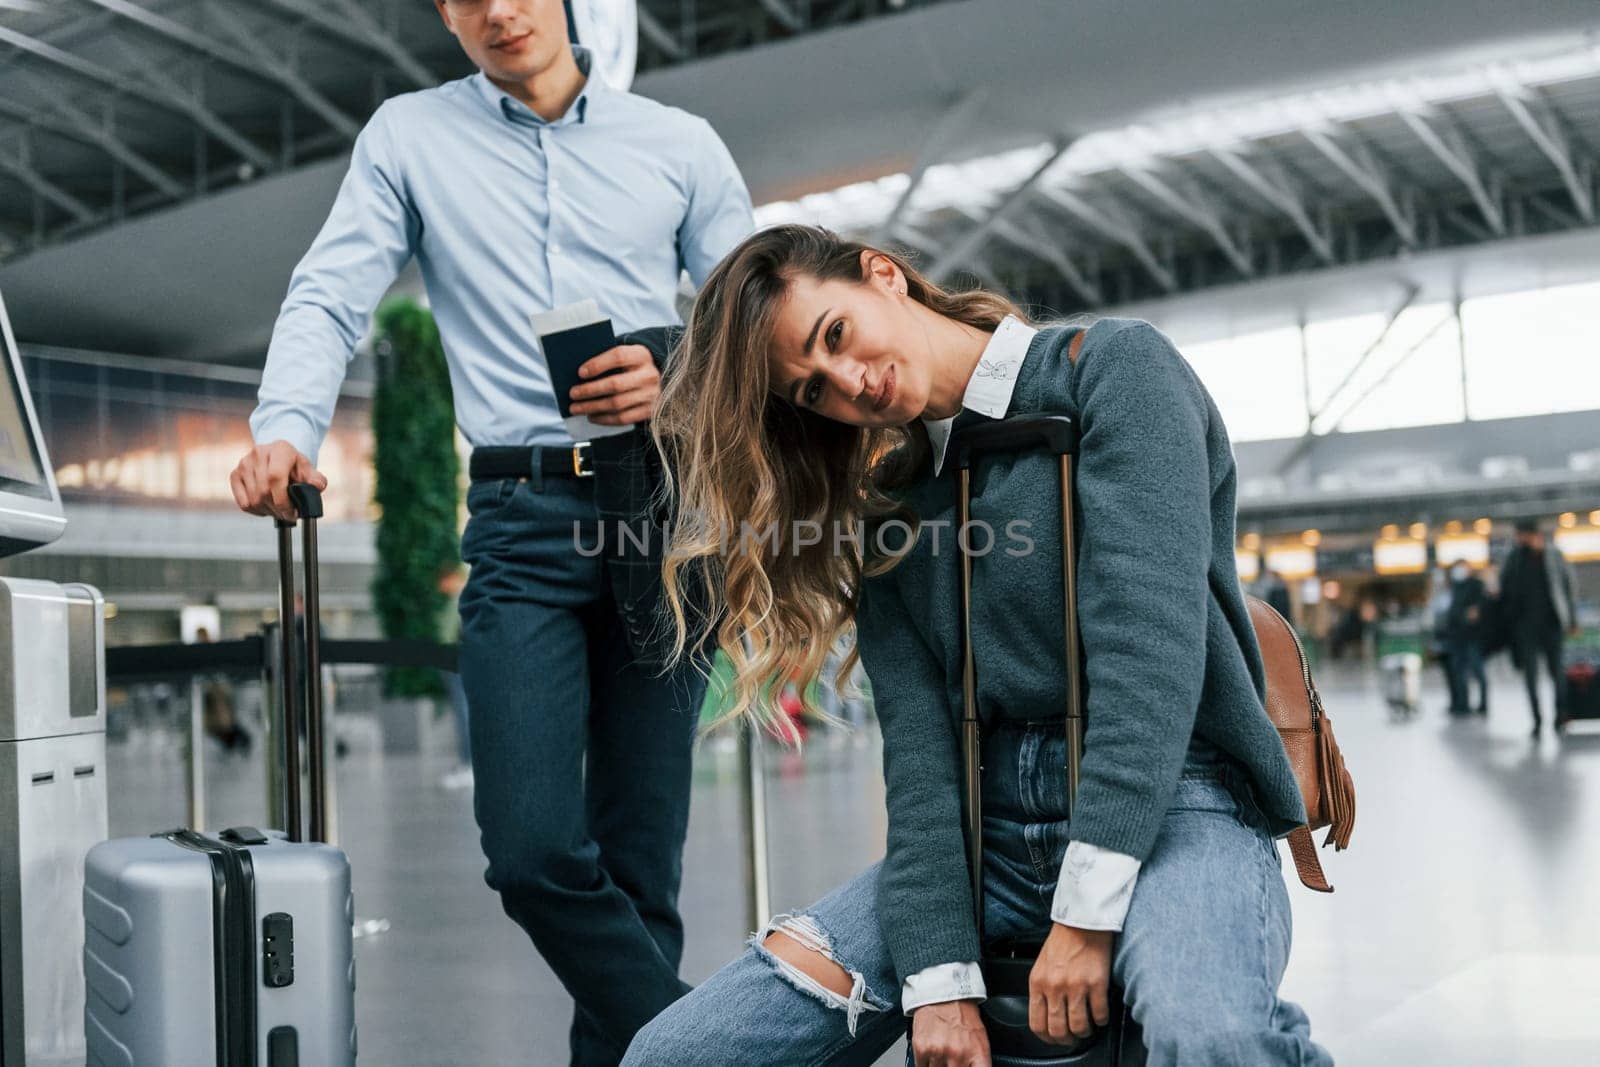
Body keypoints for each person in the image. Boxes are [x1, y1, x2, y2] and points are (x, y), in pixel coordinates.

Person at [624, 225, 1329, 1066]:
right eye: (814, 392)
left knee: (1207, 1035)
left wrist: (1082, 918)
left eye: (836, 335)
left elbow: (1149, 662)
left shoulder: (1115, 370)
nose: (850, 383)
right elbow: (921, 762)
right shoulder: (892, 503)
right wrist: (938, 977)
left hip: (1176, 794)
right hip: (981, 829)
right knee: (679, 1053)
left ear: (882, 275)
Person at [228, 2, 753, 1061]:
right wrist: (284, 428)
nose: (498, 12)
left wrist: (675, 370)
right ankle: (723, 1044)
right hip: (519, 517)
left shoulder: (678, 145)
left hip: (664, 508)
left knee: (643, 863)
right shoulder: (409, 136)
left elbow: (761, 319)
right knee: (529, 846)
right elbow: (330, 293)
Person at [1499, 518, 1579, 736]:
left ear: (1533, 535)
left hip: (1552, 624)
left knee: (1557, 673)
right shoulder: (1515, 558)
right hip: (1525, 628)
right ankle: (1536, 719)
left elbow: (1567, 587)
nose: (1519, 540)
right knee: (1530, 676)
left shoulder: (1553, 555)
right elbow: (1505, 589)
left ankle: (1560, 715)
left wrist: (1572, 620)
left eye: (1521, 536)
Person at [1442, 562, 1489, 716]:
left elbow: (1476, 612)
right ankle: (1462, 704)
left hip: (1472, 637)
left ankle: (1483, 704)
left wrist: (1468, 616)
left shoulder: (1476, 586)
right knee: (1459, 672)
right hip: (1456, 638)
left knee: (1478, 671)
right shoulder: (1456, 587)